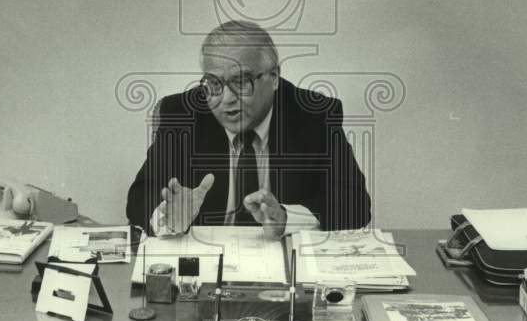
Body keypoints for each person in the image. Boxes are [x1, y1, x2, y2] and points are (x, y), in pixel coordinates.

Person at [125, 21, 372, 238]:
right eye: (214, 84)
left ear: (274, 77)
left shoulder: (312, 114)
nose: (226, 99)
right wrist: (167, 216)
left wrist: (286, 218)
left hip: (285, 265)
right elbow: (139, 198)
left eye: (241, 81)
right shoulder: (182, 114)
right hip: (207, 268)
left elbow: (355, 204)